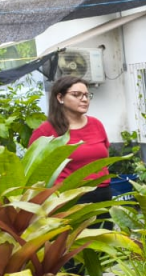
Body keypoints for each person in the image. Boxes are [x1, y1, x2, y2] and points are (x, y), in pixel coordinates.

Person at [30, 76, 112, 205]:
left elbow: (105, 157)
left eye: (86, 95)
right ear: (60, 98)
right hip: (68, 197)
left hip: (102, 192)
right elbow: (34, 170)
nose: (84, 99)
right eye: (76, 95)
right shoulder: (45, 131)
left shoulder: (96, 124)